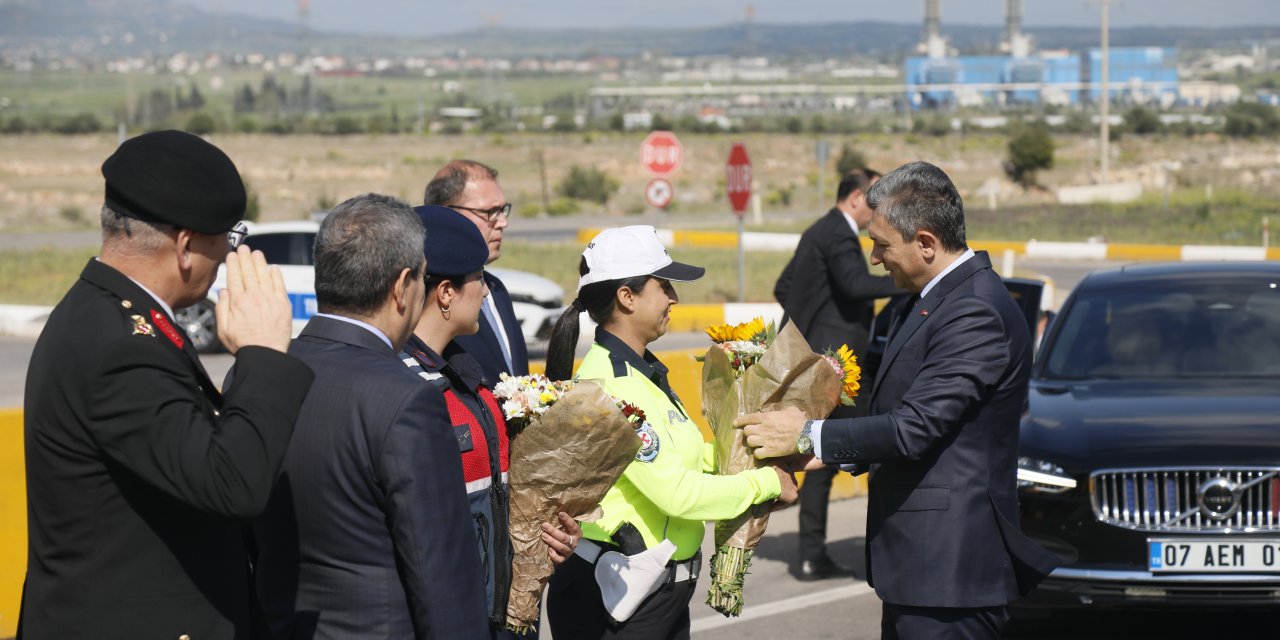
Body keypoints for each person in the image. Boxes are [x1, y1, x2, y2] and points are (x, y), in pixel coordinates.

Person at [737, 162, 1060, 640]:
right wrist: (822, 454)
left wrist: (807, 432)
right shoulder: (935, 299)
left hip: (949, 574)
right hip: (922, 573)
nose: (874, 259)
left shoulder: (973, 310)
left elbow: (913, 428)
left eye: (882, 245)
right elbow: (906, 419)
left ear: (926, 243)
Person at [20, 130, 315, 640]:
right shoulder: (122, 346)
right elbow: (233, 485)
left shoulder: (110, 312)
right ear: (184, 246)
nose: (228, 253)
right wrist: (263, 354)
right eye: (228, 237)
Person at [542, 225, 800, 639]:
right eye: (664, 286)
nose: (674, 298)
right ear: (627, 297)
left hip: (656, 595)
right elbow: (677, 494)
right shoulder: (610, 386)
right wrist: (767, 481)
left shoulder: (643, 372)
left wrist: (766, 448)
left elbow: (689, 456)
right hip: (618, 599)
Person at [252, 194, 489, 639]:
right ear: (403, 286)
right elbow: (441, 578)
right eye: (421, 278)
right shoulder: (406, 400)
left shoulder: (265, 376)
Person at [399, 205, 581, 639]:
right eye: (478, 279)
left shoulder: (474, 382)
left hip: (504, 618)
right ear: (445, 292)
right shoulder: (405, 389)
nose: (485, 291)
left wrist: (546, 536)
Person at [774, 166, 903, 581]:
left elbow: (784, 284)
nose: (880, 211)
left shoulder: (818, 230)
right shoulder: (839, 234)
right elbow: (854, 284)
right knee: (873, 447)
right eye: (876, 200)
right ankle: (891, 551)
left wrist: (809, 319)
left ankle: (812, 555)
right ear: (855, 199)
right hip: (839, 366)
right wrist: (910, 283)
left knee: (821, 457)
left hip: (817, 359)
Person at [424, 160, 527, 383]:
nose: (502, 223)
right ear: (445, 214)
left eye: (502, 210)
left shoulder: (496, 289)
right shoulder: (425, 301)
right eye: (489, 211)